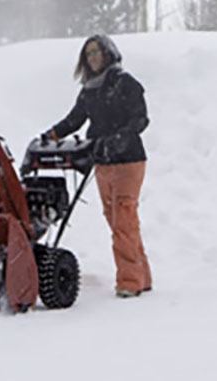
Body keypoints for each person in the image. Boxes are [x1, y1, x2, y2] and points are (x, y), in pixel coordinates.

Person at [42, 34, 152, 298]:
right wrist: (51, 136)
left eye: (96, 52)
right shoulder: (89, 90)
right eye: (87, 54)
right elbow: (74, 120)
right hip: (101, 162)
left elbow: (140, 119)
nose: (92, 58)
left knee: (123, 218)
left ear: (108, 53)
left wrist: (119, 139)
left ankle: (129, 281)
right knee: (117, 221)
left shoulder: (125, 83)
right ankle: (142, 275)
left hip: (128, 160)